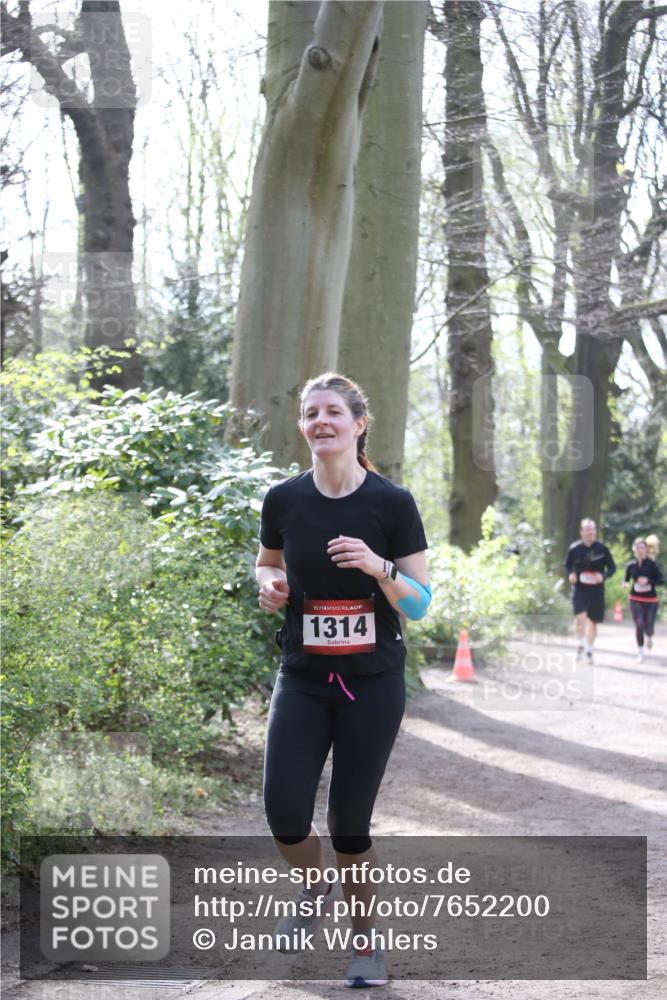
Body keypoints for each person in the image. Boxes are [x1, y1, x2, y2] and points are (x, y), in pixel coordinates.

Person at [256, 372, 430, 988]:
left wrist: (379, 566)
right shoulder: (283, 498)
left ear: (358, 425)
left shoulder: (392, 503)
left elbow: (417, 604)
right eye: (310, 413)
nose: (320, 421)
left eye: (333, 411)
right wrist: (269, 587)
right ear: (302, 426)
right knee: (284, 812)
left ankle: (366, 946)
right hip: (303, 677)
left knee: (349, 825)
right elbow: (267, 561)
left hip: (373, 682)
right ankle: (312, 885)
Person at [565, 518, 616, 662]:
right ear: (582, 532)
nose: (591, 532)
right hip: (580, 589)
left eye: (593, 529)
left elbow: (612, 568)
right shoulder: (574, 548)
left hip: (597, 590)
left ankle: (589, 649)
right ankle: (580, 643)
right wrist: (572, 574)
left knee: (593, 622)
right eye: (587, 529)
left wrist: (603, 576)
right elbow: (567, 565)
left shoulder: (602, 549)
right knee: (580, 617)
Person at [623, 537, 664, 662]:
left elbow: (661, 580)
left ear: (646, 550)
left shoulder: (652, 565)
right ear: (634, 549)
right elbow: (626, 579)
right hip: (635, 598)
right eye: (638, 548)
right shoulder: (630, 565)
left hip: (651, 601)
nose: (640, 550)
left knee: (649, 626)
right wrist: (624, 583)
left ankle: (650, 635)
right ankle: (641, 651)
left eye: (642, 548)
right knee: (639, 624)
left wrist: (649, 581)